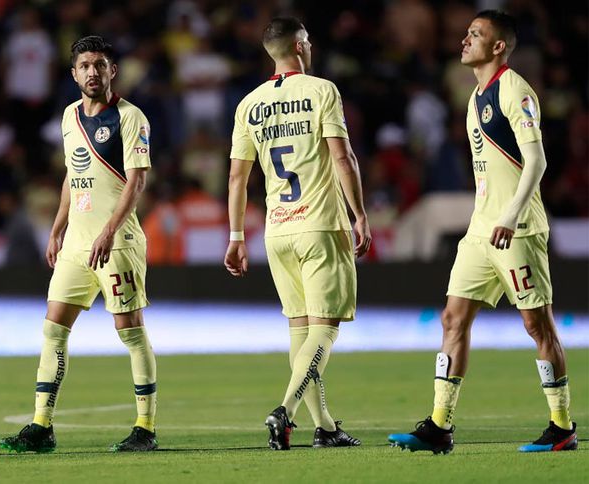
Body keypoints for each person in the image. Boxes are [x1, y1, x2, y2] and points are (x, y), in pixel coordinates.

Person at [388, 10, 577, 454]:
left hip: (517, 228)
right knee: (453, 318)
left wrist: (510, 215)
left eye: (476, 34)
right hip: (480, 229)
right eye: (467, 32)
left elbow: (537, 161)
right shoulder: (475, 97)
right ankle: (439, 426)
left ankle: (562, 427)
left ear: (498, 46)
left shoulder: (514, 90)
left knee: (537, 325)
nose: (465, 40)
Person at [0, 35, 158, 453]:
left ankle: (145, 427)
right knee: (53, 327)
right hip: (77, 243)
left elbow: (137, 181)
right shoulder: (69, 117)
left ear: (112, 71)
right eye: (85, 65)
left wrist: (108, 231)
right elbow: (73, 173)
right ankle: (42, 426)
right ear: (73, 74)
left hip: (117, 243)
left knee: (130, 330)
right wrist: (57, 228)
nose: (92, 72)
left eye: (100, 65)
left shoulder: (131, 117)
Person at [225, 17, 371, 451]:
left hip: (278, 231)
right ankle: (284, 411)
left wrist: (236, 235)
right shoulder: (322, 91)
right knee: (325, 330)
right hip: (320, 226)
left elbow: (237, 178)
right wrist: (359, 214)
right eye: (307, 40)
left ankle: (324, 427)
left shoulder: (249, 105)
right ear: (300, 46)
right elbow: (343, 159)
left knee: (300, 332)